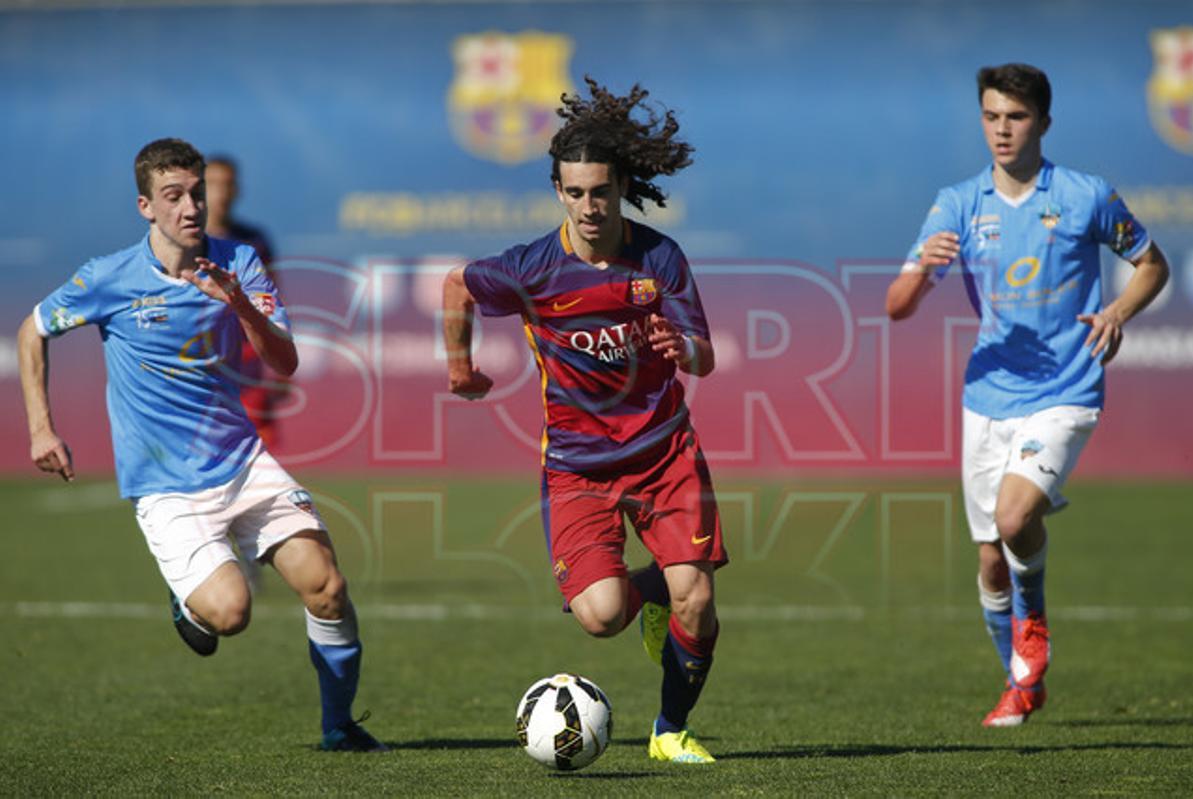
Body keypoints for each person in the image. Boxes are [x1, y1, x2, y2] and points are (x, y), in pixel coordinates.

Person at [17, 138, 385, 752]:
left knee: (326, 585)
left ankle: (339, 726)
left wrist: (237, 303)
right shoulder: (108, 277)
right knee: (230, 614)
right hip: (165, 487)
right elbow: (33, 328)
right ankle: (190, 602)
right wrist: (40, 426)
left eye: (197, 192)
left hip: (243, 463)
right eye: (173, 196)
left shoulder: (238, 261)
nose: (190, 207)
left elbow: (284, 361)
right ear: (145, 207)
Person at [442, 78, 726, 763]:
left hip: (665, 452)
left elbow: (706, 355)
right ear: (558, 191)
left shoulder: (659, 258)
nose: (589, 205)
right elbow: (457, 284)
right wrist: (460, 364)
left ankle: (670, 729)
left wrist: (681, 347)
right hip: (577, 467)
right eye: (575, 192)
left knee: (699, 601)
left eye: (600, 190)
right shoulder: (533, 270)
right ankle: (653, 584)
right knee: (600, 617)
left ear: (621, 184)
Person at [886, 64, 1170, 727]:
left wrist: (1118, 312)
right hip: (988, 394)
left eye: (1015, 117)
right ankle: (1020, 682)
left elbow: (1152, 265)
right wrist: (925, 270)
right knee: (989, 561)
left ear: (1043, 120)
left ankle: (1033, 620)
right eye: (990, 117)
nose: (1001, 130)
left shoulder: (1085, 195)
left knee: (1016, 521)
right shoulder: (958, 202)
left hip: (1068, 386)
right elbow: (897, 305)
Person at [204, 154, 289, 450]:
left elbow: (273, 301)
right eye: (213, 184)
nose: (221, 193)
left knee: (259, 454)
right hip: (201, 362)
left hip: (247, 363)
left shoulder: (254, 241)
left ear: (237, 190)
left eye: (227, 185)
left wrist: (280, 362)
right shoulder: (183, 242)